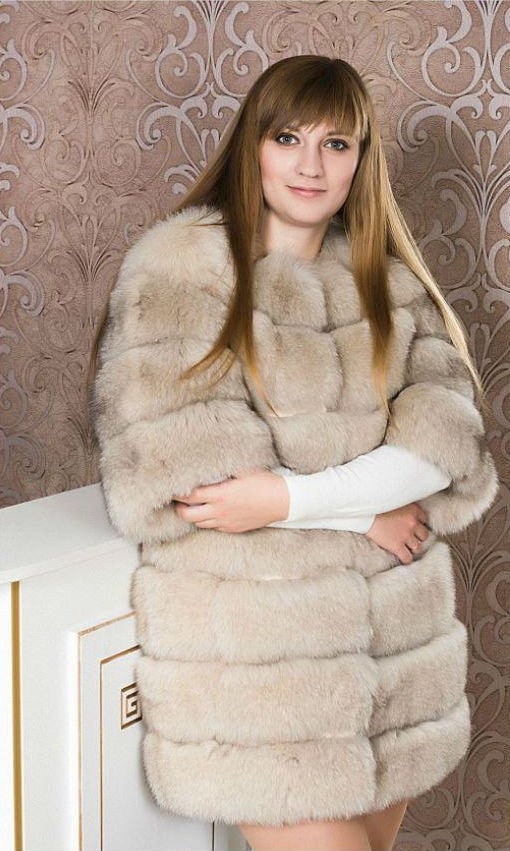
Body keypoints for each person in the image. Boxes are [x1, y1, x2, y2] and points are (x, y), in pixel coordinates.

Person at [87, 56, 499, 851]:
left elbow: (440, 451)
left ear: (360, 160)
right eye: (288, 138)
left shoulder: (387, 283)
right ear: (254, 145)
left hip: (395, 664)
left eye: (336, 144)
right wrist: (359, 513)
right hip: (264, 670)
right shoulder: (181, 269)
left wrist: (288, 498)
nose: (311, 165)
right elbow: (205, 485)